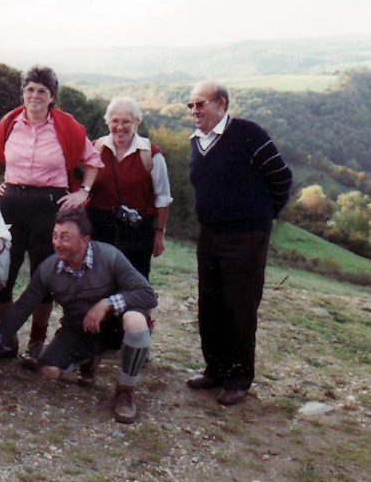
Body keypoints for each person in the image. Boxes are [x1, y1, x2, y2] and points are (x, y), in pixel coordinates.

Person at [0, 208, 157, 424]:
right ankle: (89, 356)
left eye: (65, 238)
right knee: (49, 371)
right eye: (55, 236)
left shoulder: (110, 256)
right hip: (80, 327)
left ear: (85, 241)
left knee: (136, 320)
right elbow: (23, 307)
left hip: (116, 325)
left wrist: (107, 303)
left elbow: (148, 295)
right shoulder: (49, 268)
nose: (57, 243)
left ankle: (125, 389)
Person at [0, 65, 103, 367]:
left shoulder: (67, 125)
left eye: (42, 91)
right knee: (2, 276)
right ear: (23, 92)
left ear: (52, 96)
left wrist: (84, 192)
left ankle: (36, 342)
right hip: (11, 203)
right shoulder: (10, 121)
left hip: (50, 206)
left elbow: (92, 159)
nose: (35, 96)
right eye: (30, 89)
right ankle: (8, 339)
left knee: (45, 277)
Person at [185, 81, 292, 406]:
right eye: (191, 106)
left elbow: (282, 178)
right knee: (210, 302)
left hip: (246, 237)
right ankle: (215, 369)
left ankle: (239, 376)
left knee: (240, 307)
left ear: (221, 103)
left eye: (200, 104)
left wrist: (260, 219)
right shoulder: (197, 142)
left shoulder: (249, 133)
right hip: (210, 234)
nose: (195, 111)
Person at [87, 97, 172, 280]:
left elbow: (163, 198)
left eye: (126, 121)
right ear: (108, 122)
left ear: (137, 122)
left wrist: (159, 234)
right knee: (99, 282)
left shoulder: (151, 154)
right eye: (115, 121)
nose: (120, 127)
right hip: (100, 228)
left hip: (137, 231)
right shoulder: (96, 149)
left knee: (134, 283)